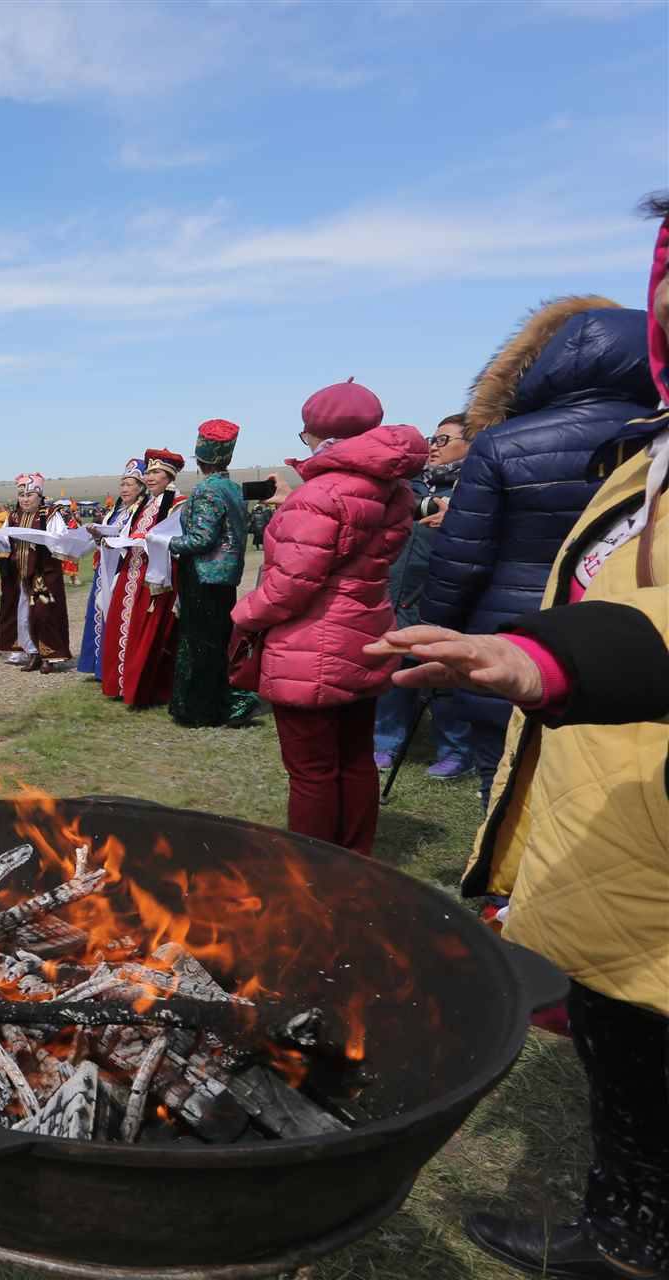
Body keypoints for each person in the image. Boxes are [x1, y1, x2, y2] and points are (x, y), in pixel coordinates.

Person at [387, 196, 669, 1280]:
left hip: (640, 774)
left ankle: (636, 1234)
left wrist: (506, 640)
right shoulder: (637, 456)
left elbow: (463, 557)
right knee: (618, 1016)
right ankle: (634, 1227)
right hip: (598, 754)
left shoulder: (522, 443)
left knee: (633, 1008)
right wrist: (535, 657)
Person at [421, 295, 657, 810]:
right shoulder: (657, 440)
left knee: (503, 785)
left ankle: (505, 889)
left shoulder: (504, 443)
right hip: (634, 648)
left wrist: (437, 630)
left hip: (515, 637)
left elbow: (462, 558)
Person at [232, 380, 425, 856]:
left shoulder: (322, 494)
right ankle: (357, 856)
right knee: (355, 757)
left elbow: (289, 587)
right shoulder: (393, 489)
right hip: (366, 633)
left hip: (310, 644)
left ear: (319, 435)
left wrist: (244, 614)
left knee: (312, 768)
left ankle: (313, 868)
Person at [372, 414, 474, 778]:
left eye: (444, 440)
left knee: (445, 676)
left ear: (472, 444)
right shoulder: (410, 488)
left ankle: (457, 750)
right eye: (433, 438)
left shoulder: (475, 490)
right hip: (398, 592)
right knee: (395, 670)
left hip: (445, 594)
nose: (433, 446)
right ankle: (385, 742)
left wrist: (458, 523)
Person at [166, 421, 259, 728]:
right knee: (217, 640)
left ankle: (200, 709)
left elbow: (201, 539)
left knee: (199, 643)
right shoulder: (232, 488)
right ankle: (220, 700)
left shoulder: (207, 490)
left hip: (203, 575)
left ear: (199, 457)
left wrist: (165, 542)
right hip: (226, 576)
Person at [100, 452, 182, 707]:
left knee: (147, 630)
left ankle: (143, 687)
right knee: (125, 624)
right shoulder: (144, 504)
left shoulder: (178, 503)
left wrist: (146, 541)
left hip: (154, 577)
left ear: (169, 476)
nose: (150, 477)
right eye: (148, 473)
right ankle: (121, 683)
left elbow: (176, 541)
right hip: (131, 572)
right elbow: (128, 533)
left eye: (156, 473)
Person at [0, 474, 71, 672]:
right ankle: (33, 653)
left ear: (39, 496)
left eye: (29, 495)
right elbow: (4, 539)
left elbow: (61, 540)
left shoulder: (50, 514)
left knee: (43, 613)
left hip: (42, 576)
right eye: (21, 495)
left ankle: (50, 655)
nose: (25, 499)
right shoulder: (13, 516)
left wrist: (45, 540)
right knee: (22, 615)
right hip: (20, 575)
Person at [78, 463, 143, 681]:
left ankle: (113, 667)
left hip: (122, 568)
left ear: (140, 488)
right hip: (104, 568)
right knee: (97, 612)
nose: (124, 489)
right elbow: (105, 539)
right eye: (122, 484)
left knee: (114, 614)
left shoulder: (141, 512)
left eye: (129, 484)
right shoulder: (116, 511)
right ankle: (98, 665)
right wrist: (97, 534)